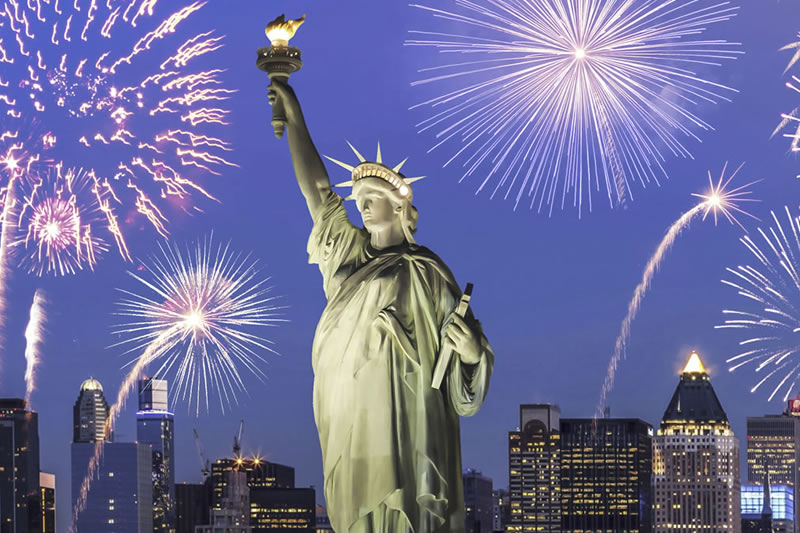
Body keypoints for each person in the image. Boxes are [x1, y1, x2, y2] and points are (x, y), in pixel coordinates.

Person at [269, 79, 493, 533]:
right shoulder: (349, 258)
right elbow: (316, 193)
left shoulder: (429, 272)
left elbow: (465, 375)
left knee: (404, 509)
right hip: (353, 416)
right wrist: (294, 117)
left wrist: (471, 352)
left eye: (372, 200)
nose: (363, 208)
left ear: (398, 206)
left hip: (411, 424)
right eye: (359, 201)